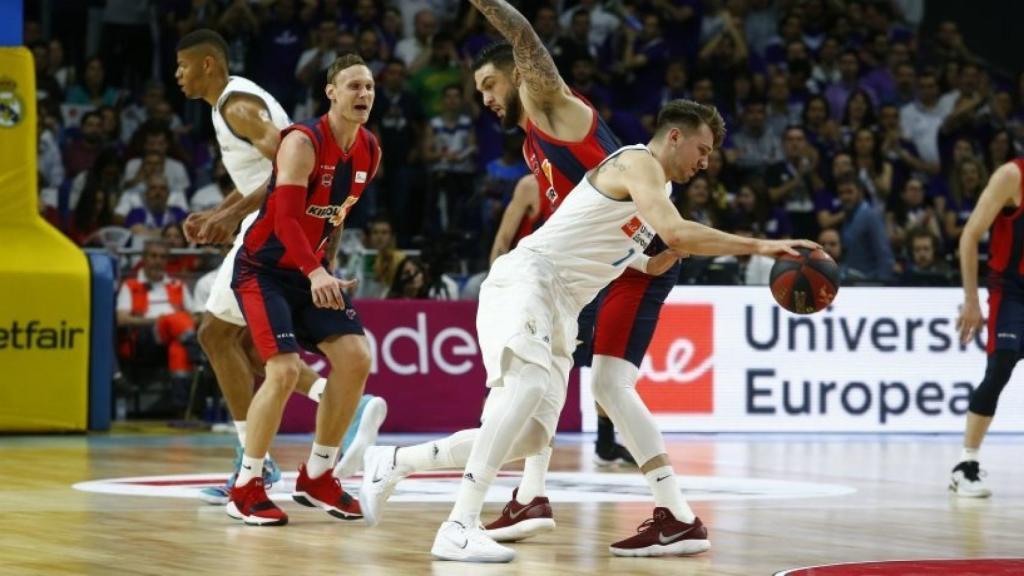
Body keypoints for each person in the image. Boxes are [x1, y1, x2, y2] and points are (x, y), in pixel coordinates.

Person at [362, 100, 817, 562]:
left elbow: (621, 249)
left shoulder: (658, 190)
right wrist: (763, 245)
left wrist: (653, 261)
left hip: (564, 308)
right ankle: (458, 525)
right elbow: (676, 233)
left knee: (530, 438)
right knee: (528, 386)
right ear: (674, 136)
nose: (706, 161)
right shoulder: (636, 162)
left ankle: (395, 462)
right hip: (529, 280)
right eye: (702, 149)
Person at [174, 29, 386, 506]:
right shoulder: (236, 102)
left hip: (269, 233)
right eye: (355, 86)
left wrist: (229, 215)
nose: (178, 76)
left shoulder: (237, 107)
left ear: (207, 64)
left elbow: (287, 171)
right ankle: (298, 434)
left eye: (183, 66)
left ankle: (261, 460)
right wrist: (221, 211)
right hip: (280, 232)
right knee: (245, 343)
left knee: (217, 336)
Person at [225, 53, 382, 526]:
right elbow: (289, 219)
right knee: (284, 370)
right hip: (264, 270)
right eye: (354, 86)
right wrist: (316, 271)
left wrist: (324, 265)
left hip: (310, 271)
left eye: (370, 87)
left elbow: (334, 216)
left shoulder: (370, 150)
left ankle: (318, 476)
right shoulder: (301, 142)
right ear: (331, 93)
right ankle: (246, 485)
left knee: (356, 357)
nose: (364, 95)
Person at [951, 158, 1024, 498]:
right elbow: (970, 236)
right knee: (1000, 368)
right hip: (1011, 291)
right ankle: (966, 465)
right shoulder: (1012, 176)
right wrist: (971, 300)